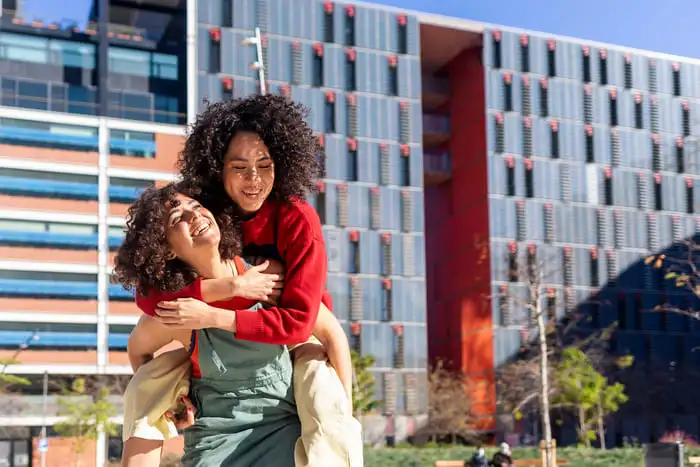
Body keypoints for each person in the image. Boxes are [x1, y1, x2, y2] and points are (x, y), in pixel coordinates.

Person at [115, 185, 361, 466]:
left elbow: (332, 336)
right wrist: (174, 402)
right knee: (147, 382)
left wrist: (344, 422)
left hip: (285, 432)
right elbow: (138, 352)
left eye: (195, 207)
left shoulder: (266, 278)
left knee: (315, 359)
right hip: (215, 444)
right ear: (166, 251)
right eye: (176, 218)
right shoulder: (181, 313)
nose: (193, 216)